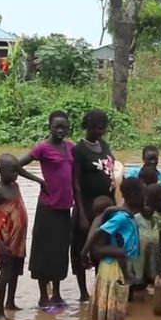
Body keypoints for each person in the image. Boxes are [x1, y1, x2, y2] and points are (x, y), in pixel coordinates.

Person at [16, 111, 75, 308]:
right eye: (57, 126)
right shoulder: (43, 147)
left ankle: (57, 295)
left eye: (64, 127)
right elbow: (15, 165)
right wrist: (39, 180)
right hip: (47, 207)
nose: (60, 130)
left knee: (59, 252)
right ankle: (43, 297)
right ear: (49, 126)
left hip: (65, 208)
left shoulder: (70, 147)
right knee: (43, 251)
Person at [83, 182, 143, 320]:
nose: (144, 198)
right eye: (142, 194)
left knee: (106, 303)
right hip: (115, 267)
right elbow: (97, 233)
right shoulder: (122, 217)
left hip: (109, 265)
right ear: (133, 196)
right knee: (116, 307)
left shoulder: (123, 215)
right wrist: (84, 252)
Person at [71, 109, 116, 302]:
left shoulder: (103, 145)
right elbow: (76, 183)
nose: (101, 131)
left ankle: (99, 288)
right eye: (98, 127)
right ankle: (82, 293)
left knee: (102, 246)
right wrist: (81, 214)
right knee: (81, 247)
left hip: (106, 206)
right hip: (87, 206)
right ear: (87, 126)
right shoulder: (79, 149)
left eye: (103, 128)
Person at [0, 154, 28, 319]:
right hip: (7, 241)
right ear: (0, 171)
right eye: (11, 171)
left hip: (19, 239)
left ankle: (10, 302)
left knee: (15, 273)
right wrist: (0, 243)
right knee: (5, 274)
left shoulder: (16, 186)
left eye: (17, 170)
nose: (15, 174)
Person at [134, 181, 161, 289]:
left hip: (155, 272)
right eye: (145, 205)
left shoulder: (160, 219)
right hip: (138, 273)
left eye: (149, 205)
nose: (147, 208)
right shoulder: (135, 220)